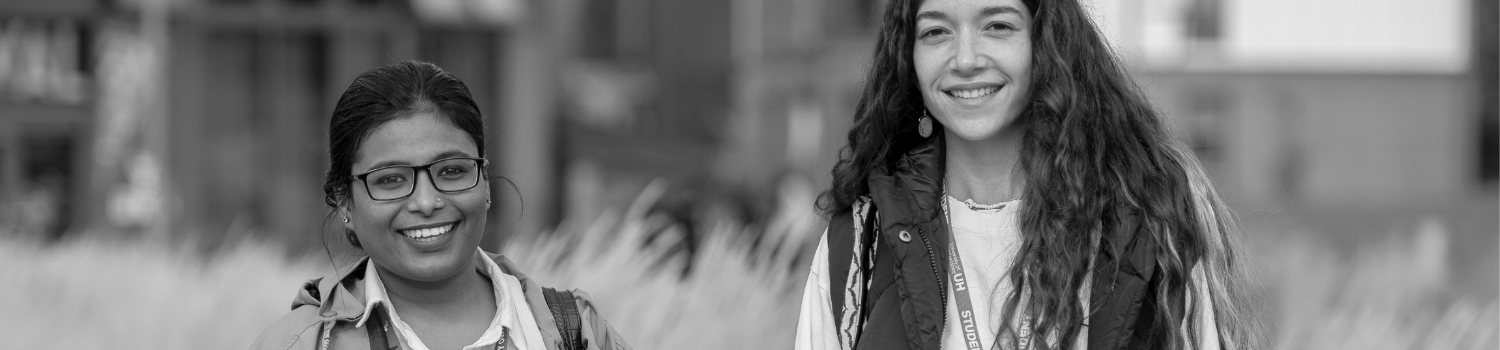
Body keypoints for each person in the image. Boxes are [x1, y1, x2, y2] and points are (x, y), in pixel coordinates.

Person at [793, 0, 1261, 349]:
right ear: (908, 56)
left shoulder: (1145, 217)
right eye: (936, 32)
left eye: (997, 26)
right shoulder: (861, 240)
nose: (965, 59)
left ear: (1046, 42)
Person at [253, 61, 631, 350]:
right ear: (344, 202)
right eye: (390, 179)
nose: (427, 201)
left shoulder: (576, 331)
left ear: (484, 179)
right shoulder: (301, 343)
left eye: (451, 170)